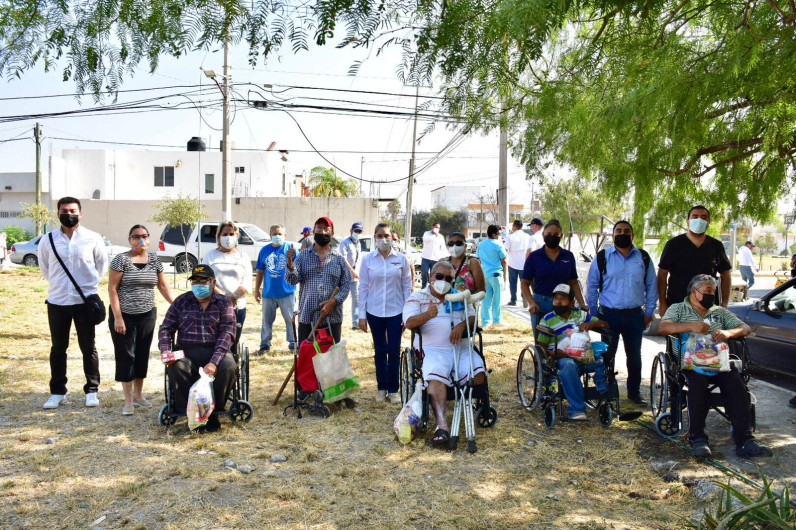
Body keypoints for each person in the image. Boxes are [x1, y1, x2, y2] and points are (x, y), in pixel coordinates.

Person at [659, 274, 773, 457]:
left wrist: (728, 332)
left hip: (717, 361)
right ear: (694, 292)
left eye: (713, 291)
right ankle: (698, 438)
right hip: (690, 362)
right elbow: (664, 327)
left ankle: (745, 440)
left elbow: (745, 328)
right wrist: (690, 326)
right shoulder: (678, 308)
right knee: (697, 385)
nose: (711, 295)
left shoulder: (718, 311)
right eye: (707, 291)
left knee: (736, 383)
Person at [403, 261, 486, 445]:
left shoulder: (459, 296)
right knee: (435, 379)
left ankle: (460, 400)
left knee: (479, 375)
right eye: (439, 277)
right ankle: (442, 426)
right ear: (430, 277)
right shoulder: (417, 297)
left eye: (448, 278)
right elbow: (409, 323)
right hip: (433, 350)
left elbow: (473, 318)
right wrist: (427, 315)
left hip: (461, 348)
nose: (443, 281)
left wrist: (462, 325)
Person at [39, 197, 109, 409]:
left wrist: (88, 286)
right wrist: (61, 286)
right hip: (58, 301)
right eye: (63, 210)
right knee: (58, 347)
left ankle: (92, 390)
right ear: (58, 213)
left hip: (84, 301)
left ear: (80, 213)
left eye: (72, 210)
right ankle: (58, 391)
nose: (68, 214)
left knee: (88, 347)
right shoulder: (48, 240)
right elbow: (45, 269)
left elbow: (101, 265)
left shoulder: (92, 238)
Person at [586, 220, 657, 406]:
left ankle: (634, 393)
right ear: (613, 235)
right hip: (609, 316)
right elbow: (592, 286)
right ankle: (607, 392)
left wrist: (649, 311)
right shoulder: (602, 257)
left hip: (635, 316)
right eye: (619, 230)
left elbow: (651, 285)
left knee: (634, 356)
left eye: (626, 231)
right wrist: (593, 312)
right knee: (607, 355)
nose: (622, 233)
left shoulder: (643, 257)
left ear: (632, 235)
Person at [159, 265, 236, 432]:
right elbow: (166, 328)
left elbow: (227, 333)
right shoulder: (181, 301)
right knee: (176, 366)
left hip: (216, 351)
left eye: (204, 281)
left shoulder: (224, 303)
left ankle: (213, 412)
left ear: (213, 282)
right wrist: (165, 349)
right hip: (187, 352)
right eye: (195, 281)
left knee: (229, 366)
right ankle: (192, 411)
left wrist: (214, 362)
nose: (198, 284)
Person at [108, 224, 174, 416]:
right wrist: (118, 318)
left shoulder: (154, 260)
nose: (140, 240)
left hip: (147, 314)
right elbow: (112, 289)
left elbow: (162, 286)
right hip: (124, 315)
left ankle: (138, 395)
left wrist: (177, 304)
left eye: (144, 236)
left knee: (142, 353)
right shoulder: (121, 259)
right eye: (136, 236)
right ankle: (127, 400)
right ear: (129, 239)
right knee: (126, 355)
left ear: (149, 238)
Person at [536, 284, 610, 421]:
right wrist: (552, 354)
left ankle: (603, 392)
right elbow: (541, 346)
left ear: (571, 302)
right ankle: (577, 409)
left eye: (562, 298)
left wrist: (590, 324)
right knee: (569, 365)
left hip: (582, 356)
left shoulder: (580, 315)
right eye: (555, 298)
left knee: (601, 359)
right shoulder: (547, 319)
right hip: (561, 357)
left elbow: (605, 324)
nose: (558, 301)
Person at [358, 223, 414, 403]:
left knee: (394, 350)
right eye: (380, 236)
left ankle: (393, 389)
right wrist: (361, 316)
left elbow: (407, 287)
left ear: (392, 237)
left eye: (387, 235)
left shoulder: (401, 259)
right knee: (380, 350)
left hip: (396, 311)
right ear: (374, 237)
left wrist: (407, 313)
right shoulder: (368, 260)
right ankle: (381, 387)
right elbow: (363, 288)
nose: (384, 239)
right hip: (374, 311)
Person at [286, 217, 351, 345]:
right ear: (314, 231)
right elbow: (292, 280)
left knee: (330, 359)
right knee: (308, 359)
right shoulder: (303, 256)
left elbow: (345, 284)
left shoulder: (338, 259)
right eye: (319, 228)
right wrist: (290, 263)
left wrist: (334, 301)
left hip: (332, 319)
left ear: (332, 233)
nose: (322, 232)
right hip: (307, 317)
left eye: (326, 229)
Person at [657, 205, 731, 317]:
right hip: (677, 306)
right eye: (695, 216)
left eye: (704, 217)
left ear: (708, 222)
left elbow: (726, 274)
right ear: (687, 221)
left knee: (706, 334)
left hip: (707, 308)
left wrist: (724, 303)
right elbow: (662, 274)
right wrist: (662, 303)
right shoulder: (674, 244)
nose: (699, 220)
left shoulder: (716, 246)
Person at [522, 219, 587, 339]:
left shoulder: (568, 256)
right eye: (549, 235)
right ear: (543, 235)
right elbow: (524, 283)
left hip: (564, 305)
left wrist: (582, 303)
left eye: (556, 235)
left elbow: (574, 282)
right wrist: (531, 303)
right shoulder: (534, 257)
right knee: (543, 342)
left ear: (561, 236)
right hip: (541, 304)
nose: (552, 237)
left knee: (565, 341)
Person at [202, 221, 252, 344]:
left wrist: (233, 296)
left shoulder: (243, 256)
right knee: (213, 340)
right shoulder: (210, 255)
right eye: (225, 234)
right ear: (219, 236)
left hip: (238, 305)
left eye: (231, 234)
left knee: (233, 340)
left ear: (236, 236)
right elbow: (205, 279)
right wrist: (224, 298)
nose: (228, 237)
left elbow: (246, 281)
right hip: (214, 305)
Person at [254, 224, 297, 355]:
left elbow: (295, 270)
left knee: (290, 320)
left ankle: (293, 342)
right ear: (270, 235)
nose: (277, 236)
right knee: (266, 320)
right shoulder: (264, 250)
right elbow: (260, 271)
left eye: (280, 234)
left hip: (286, 292)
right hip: (269, 293)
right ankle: (265, 344)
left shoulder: (290, 250)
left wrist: (290, 258)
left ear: (285, 235)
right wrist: (257, 290)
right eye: (275, 234)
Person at [476, 224, 508, 326]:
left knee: (486, 300)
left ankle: (485, 321)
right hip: (496, 275)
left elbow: (478, 259)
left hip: (485, 275)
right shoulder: (498, 244)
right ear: (494, 234)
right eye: (499, 233)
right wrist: (505, 276)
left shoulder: (481, 244)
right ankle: (497, 320)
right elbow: (504, 260)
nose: (499, 235)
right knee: (497, 299)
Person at [340, 222, 364, 330]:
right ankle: (337, 320)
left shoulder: (358, 243)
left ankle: (355, 323)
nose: (357, 233)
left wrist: (357, 272)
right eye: (356, 231)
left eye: (359, 231)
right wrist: (351, 271)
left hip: (355, 277)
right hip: (345, 275)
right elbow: (343, 259)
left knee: (356, 299)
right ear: (351, 230)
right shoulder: (345, 243)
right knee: (340, 299)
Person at [504, 219, 532, 306]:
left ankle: (513, 300)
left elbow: (506, 249)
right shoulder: (527, 236)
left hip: (513, 263)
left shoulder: (510, 237)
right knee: (525, 283)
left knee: (512, 283)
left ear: (515, 226)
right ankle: (525, 298)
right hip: (524, 264)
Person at [420, 222, 448, 288]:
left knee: (434, 274)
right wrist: (434, 234)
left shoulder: (440, 237)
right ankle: (424, 286)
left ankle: (432, 286)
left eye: (438, 228)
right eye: (436, 227)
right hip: (426, 257)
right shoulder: (427, 233)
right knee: (424, 272)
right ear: (432, 227)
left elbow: (443, 248)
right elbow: (425, 239)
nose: (437, 229)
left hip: (435, 259)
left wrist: (443, 258)